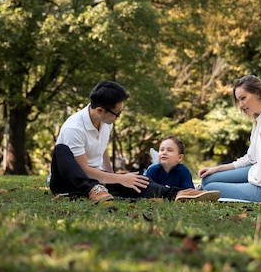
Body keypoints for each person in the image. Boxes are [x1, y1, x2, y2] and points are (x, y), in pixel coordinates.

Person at [49, 80, 220, 204]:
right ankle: (91, 190)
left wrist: (116, 176)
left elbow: (102, 151)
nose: (118, 117)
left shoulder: (105, 122)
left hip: (98, 180)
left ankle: (178, 194)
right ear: (100, 110)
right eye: (117, 113)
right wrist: (117, 178)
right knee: (61, 150)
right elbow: (84, 170)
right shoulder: (74, 128)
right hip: (69, 181)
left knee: (137, 181)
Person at [198, 75, 261, 204]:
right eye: (238, 100)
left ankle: (199, 191)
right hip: (259, 172)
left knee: (209, 188)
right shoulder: (259, 117)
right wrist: (216, 169)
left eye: (243, 98)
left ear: (257, 93)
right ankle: (204, 186)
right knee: (207, 179)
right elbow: (250, 158)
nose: (241, 105)